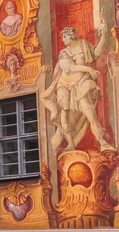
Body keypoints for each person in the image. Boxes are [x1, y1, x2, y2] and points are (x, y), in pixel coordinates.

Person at [40, 23, 113, 152]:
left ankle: (102, 141)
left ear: (71, 36)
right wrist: (89, 69)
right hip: (65, 85)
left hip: (81, 83)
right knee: (65, 114)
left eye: (64, 37)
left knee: (89, 112)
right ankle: (70, 144)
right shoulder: (63, 53)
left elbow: (96, 53)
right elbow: (68, 69)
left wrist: (103, 36)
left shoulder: (83, 44)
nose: (62, 40)